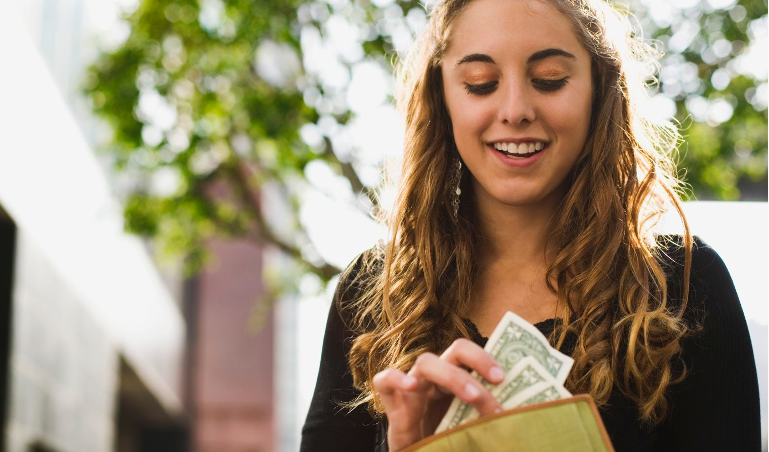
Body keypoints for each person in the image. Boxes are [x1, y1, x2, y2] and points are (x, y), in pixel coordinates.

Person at [301, 0, 762, 450]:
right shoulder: (373, 293)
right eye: (481, 84)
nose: (516, 109)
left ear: (600, 91)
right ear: (442, 98)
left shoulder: (683, 286)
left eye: (549, 80)